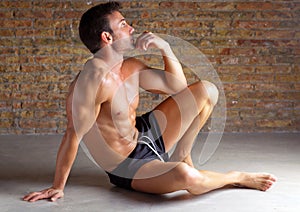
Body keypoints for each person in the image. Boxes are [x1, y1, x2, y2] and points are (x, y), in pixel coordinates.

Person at [23, 2, 276, 202]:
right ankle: (236, 177)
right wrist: (58, 186)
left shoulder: (130, 67)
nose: (131, 28)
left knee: (207, 91)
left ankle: (183, 156)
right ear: (107, 37)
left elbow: (177, 87)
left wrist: (165, 47)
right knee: (187, 179)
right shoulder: (92, 81)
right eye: (123, 24)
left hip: (145, 133)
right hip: (127, 164)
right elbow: (72, 134)